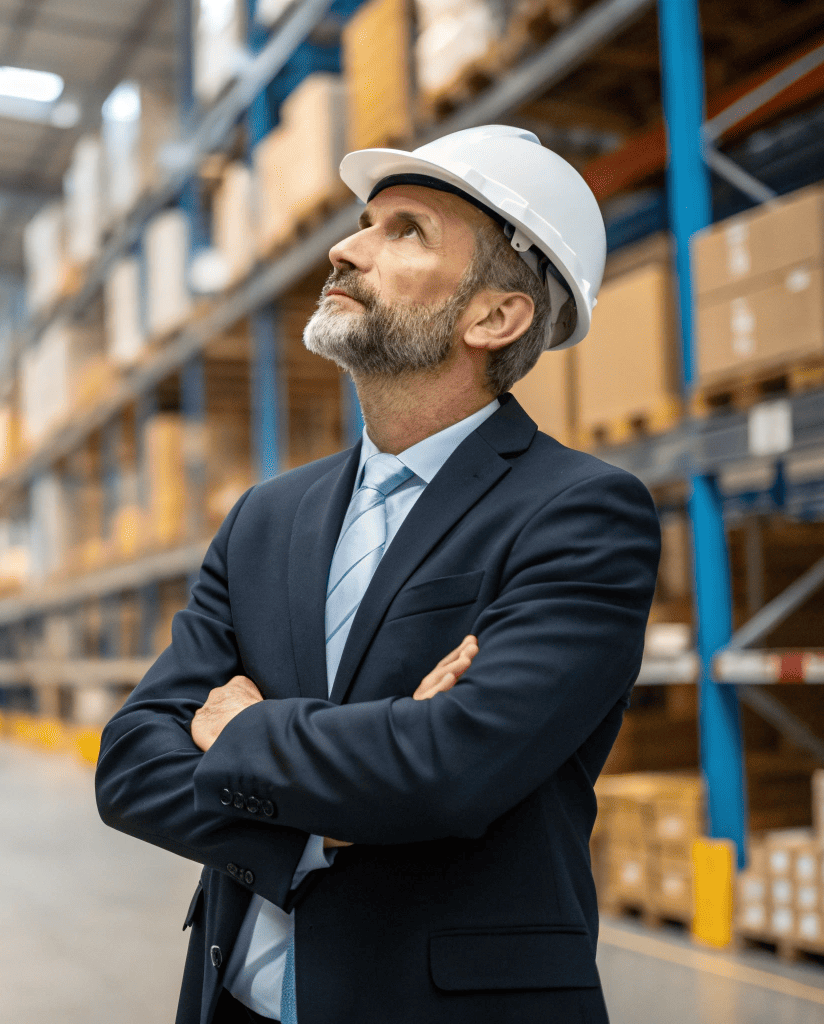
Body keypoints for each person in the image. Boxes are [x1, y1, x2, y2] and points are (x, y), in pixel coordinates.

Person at [94, 126, 661, 1024]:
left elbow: (453, 766)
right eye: (366, 223)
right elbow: (130, 763)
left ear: (494, 317)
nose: (345, 248)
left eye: (405, 232)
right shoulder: (265, 519)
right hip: (234, 1002)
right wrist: (333, 811)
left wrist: (243, 733)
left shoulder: (581, 513)